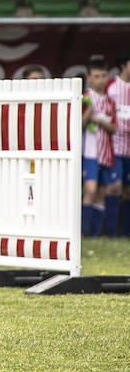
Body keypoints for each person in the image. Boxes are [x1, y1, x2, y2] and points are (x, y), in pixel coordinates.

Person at [82, 58, 117, 237]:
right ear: (89, 78)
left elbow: (114, 127)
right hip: (89, 152)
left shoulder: (110, 102)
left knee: (102, 193)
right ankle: (81, 233)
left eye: (103, 76)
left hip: (106, 152)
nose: (100, 80)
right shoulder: (84, 97)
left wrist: (100, 121)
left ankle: (93, 235)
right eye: (96, 76)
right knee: (90, 190)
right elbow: (78, 124)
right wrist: (89, 111)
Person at [106, 51, 130, 236]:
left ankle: (125, 234)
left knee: (128, 190)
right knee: (114, 188)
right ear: (124, 65)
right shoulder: (112, 87)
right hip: (115, 146)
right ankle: (111, 232)